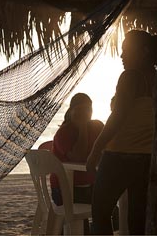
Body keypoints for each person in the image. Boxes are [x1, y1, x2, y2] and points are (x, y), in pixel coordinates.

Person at [86, 30, 157, 235]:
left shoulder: (130, 76)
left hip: (120, 155)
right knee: (138, 220)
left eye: (126, 50)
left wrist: (95, 149)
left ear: (144, 52)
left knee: (100, 213)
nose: (121, 55)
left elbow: (117, 118)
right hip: (147, 158)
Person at [49, 93, 104, 233]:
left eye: (88, 110)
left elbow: (108, 149)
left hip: (90, 186)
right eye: (80, 109)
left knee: (113, 214)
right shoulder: (63, 133)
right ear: (71, 111)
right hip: (65, 189)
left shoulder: (97, 126)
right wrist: (82, 128)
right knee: (79, 227)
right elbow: (79, 157)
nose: (84, 113)